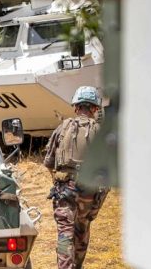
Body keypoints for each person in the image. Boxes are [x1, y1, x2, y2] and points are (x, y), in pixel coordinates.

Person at [43, 86, 108, 269]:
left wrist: (58, 181)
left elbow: (48, 162)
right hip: (90, 191)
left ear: (76, 107)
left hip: (65, 190)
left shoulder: (63, 128)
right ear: (94, 108)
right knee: (82, 230)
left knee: (65, 233)